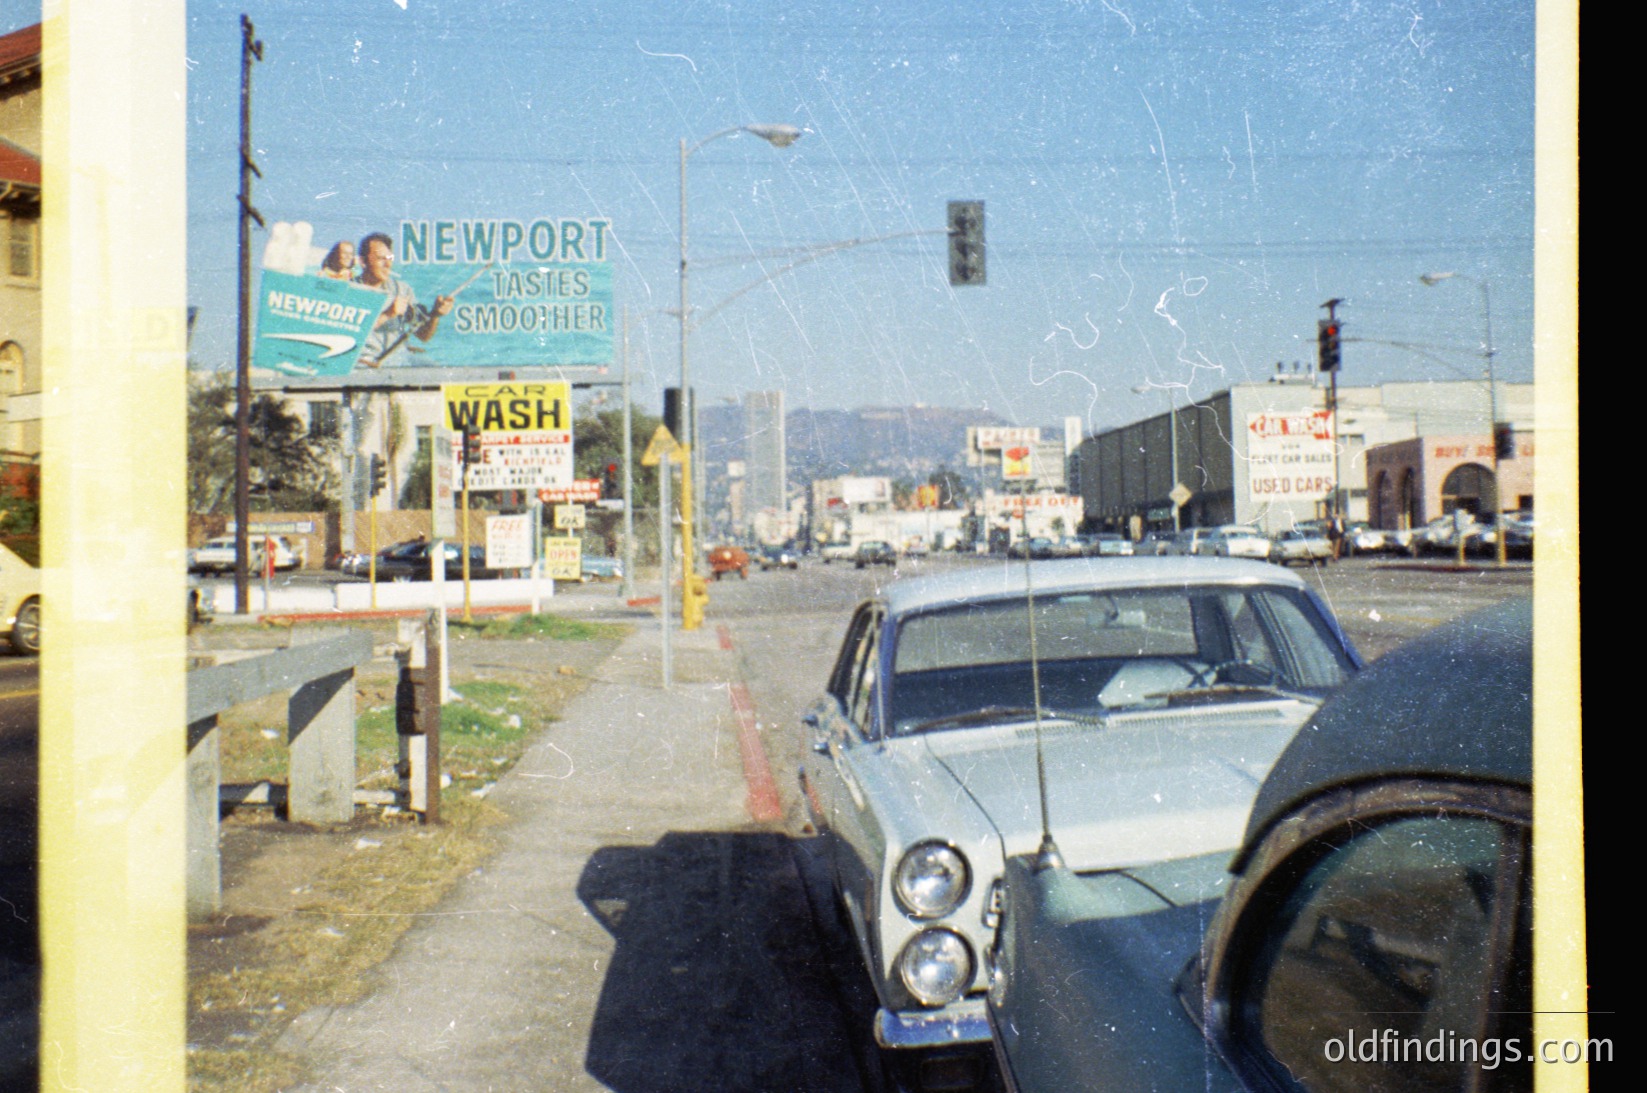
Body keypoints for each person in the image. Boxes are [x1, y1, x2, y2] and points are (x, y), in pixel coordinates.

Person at [354, 231, 454, 367]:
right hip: (364, 361)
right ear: (363, 261)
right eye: (380, 259)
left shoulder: (402, 289)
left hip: (400, 359)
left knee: (437, 371)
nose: (388, 264)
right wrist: (388, 314)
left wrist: (435, 315)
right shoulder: (349, 290)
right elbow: (350, 334)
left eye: (389, 259)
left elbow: (423, 336)